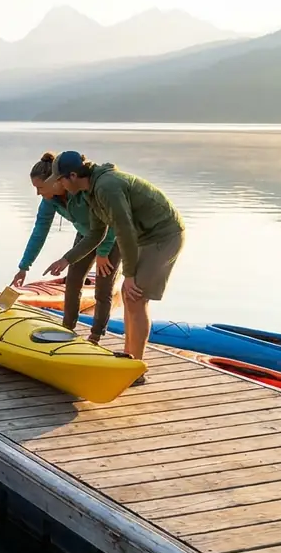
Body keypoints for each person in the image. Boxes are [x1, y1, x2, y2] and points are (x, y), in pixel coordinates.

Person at [42, 151, 185, 384]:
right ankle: (128, 357)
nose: (60, 185)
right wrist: (66, 259)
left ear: (74, 175)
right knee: (130, 297)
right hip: (145, 238)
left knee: (136, 296)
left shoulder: (107, 187)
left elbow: (124, 230)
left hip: (163, 236)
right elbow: (96, 234)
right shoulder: (92, 191)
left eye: (61, 180)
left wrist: (128, 275)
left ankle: (135, 368)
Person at [12, 151, 120, 345]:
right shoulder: (50, 200)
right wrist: (24, 266)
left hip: (112, 238)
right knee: (73, 281)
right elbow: (39, 232)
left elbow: (111, 223)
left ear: (55, 181)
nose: (38, 193)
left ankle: (95, 336)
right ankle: (67, 328)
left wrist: (103, 253)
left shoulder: (83, 191)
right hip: (85, 236)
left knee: (103, 289)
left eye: (40, 187)